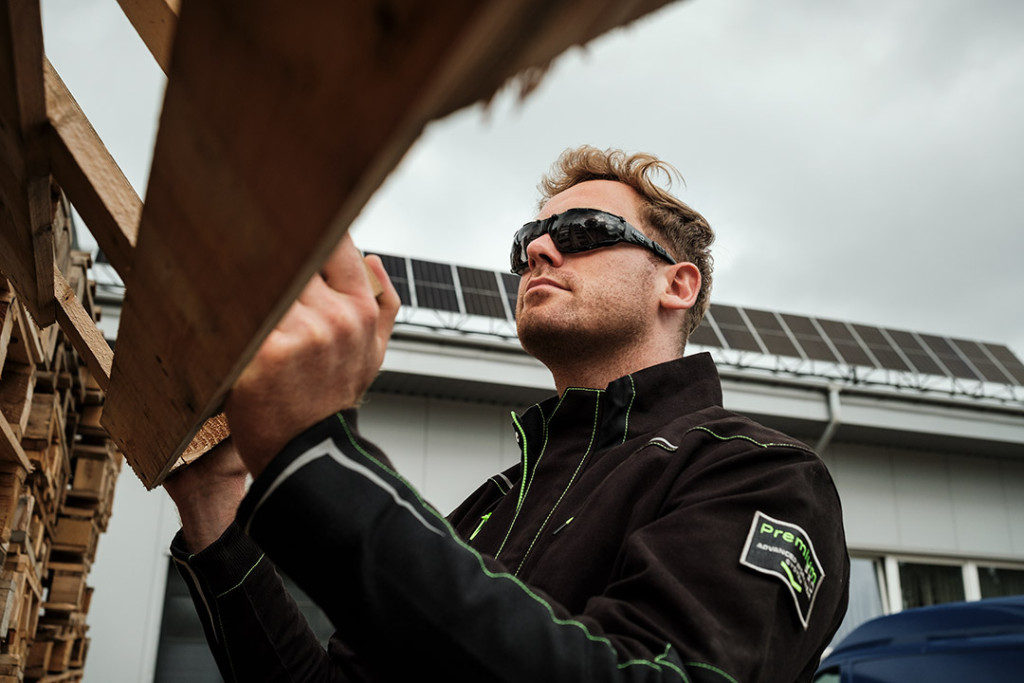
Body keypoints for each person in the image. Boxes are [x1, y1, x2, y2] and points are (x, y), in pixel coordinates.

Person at [164, 146, 849, 682]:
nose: (538, 251)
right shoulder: (490, 508)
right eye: (529, 239)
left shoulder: (759, 476)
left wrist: (316, 454)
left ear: (677, 283)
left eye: (583, 230)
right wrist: (214, 506)